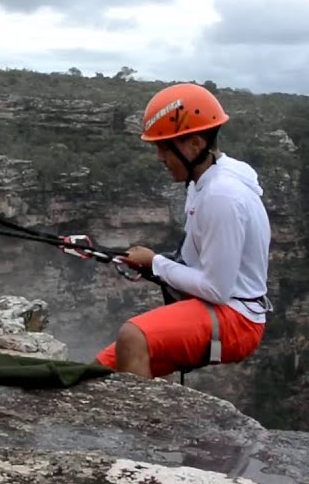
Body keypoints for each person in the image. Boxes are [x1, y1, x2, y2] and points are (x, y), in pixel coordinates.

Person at [95, 83, 273, 379]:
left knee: (133, 336)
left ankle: (135, 425)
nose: (160, 157)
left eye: (165, 147)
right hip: (224, 308)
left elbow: (217, 289)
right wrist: (155, 264)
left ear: (195, 144)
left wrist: (156, 263)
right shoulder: (202, 182)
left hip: (238, 318)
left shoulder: (222, 196)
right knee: (100, 372)